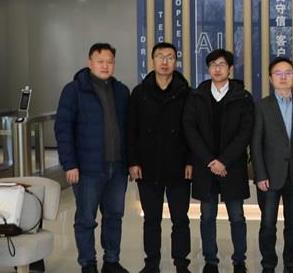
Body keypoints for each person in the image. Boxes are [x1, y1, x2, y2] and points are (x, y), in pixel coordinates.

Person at [55, 43, 131, 273]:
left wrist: (131, 162)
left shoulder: (121, 91)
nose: (105, 66)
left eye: (110, 62)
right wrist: (69, 164)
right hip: (87, 169)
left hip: (117, 168)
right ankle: (88, 263)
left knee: (114, 216)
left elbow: (129, 129)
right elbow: (63, 129)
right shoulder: (74, 90)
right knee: (86, 219)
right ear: (90, 63)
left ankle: (112, 261)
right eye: (100, 61)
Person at [183, 49, 254, 273]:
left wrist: (223, 161)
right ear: (208, 68)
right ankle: (210, 261)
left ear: (230, 69)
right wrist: (211, 161)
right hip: (205, 167)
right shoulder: (197, 96)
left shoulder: (243, 97)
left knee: (237, 216)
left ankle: (239, 260)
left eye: (222, 64)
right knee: (207, 216)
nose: (217, 68)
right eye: (213, 64)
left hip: (232, 167)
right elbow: (190, 130)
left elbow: (245, 133)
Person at [127, 42, 193, 273]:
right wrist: (133, 162)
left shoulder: (186, 93)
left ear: (176, 61)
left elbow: (193, 131)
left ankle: (181, 263)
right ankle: (152, 263)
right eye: (160, 57)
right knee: (151, 219)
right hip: (148, 166)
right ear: (152, 60)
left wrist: (191, 161)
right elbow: (131, 130)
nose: (165, 62)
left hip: (179, 165)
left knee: (180, 219)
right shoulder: (139, 93)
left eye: (170, 57)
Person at [251, 57, 293, 273]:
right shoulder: (261, 107)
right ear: (271, 79)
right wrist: (260, 174)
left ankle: (291, 263)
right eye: (278, 73)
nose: (284, 77)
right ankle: (268, 263)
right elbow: (255, 144)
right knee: (268, 224)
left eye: (288, 73)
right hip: (269, 176)